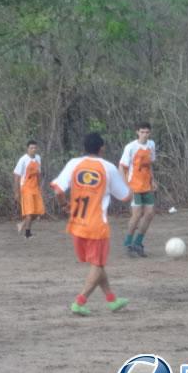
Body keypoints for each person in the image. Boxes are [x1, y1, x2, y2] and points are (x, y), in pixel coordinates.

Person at [51, 132, 132, 316]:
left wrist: (64, 205)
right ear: (101, 148)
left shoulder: (74, 164)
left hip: (77, 223)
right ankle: (80, 302)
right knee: (97, 265)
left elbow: (57, 190)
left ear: (84, 148)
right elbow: (126, 196)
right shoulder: (108, 167)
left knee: (98, 264)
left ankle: (112, 300)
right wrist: (128, 179)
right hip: (97, 225)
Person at [119, 122, 157, 257]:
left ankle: (138, 243)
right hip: (134, 186)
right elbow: (122, 167)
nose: (145, 134)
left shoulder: (151, 145)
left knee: (150, 213)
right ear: (137, 132)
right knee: (137, 215)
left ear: (150, 133)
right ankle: (128, 243)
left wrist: (153, 180)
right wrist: (125, 186)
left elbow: (149, 165)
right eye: (142, 132)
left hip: (146, 185)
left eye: (147, 132)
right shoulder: (131, 147)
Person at [13, 140, 45, 239]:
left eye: (35, 148)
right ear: (27, 149)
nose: (33, 150)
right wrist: (16, 192)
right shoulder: (23, 160)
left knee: (39, 211)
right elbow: (17, 176)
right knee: (30, 212)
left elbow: (39, 174)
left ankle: (22, 224)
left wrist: (40, 187)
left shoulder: (38, 158)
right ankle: (27, 234)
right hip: (26, 188)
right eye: (31, 148)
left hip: (35, 188)